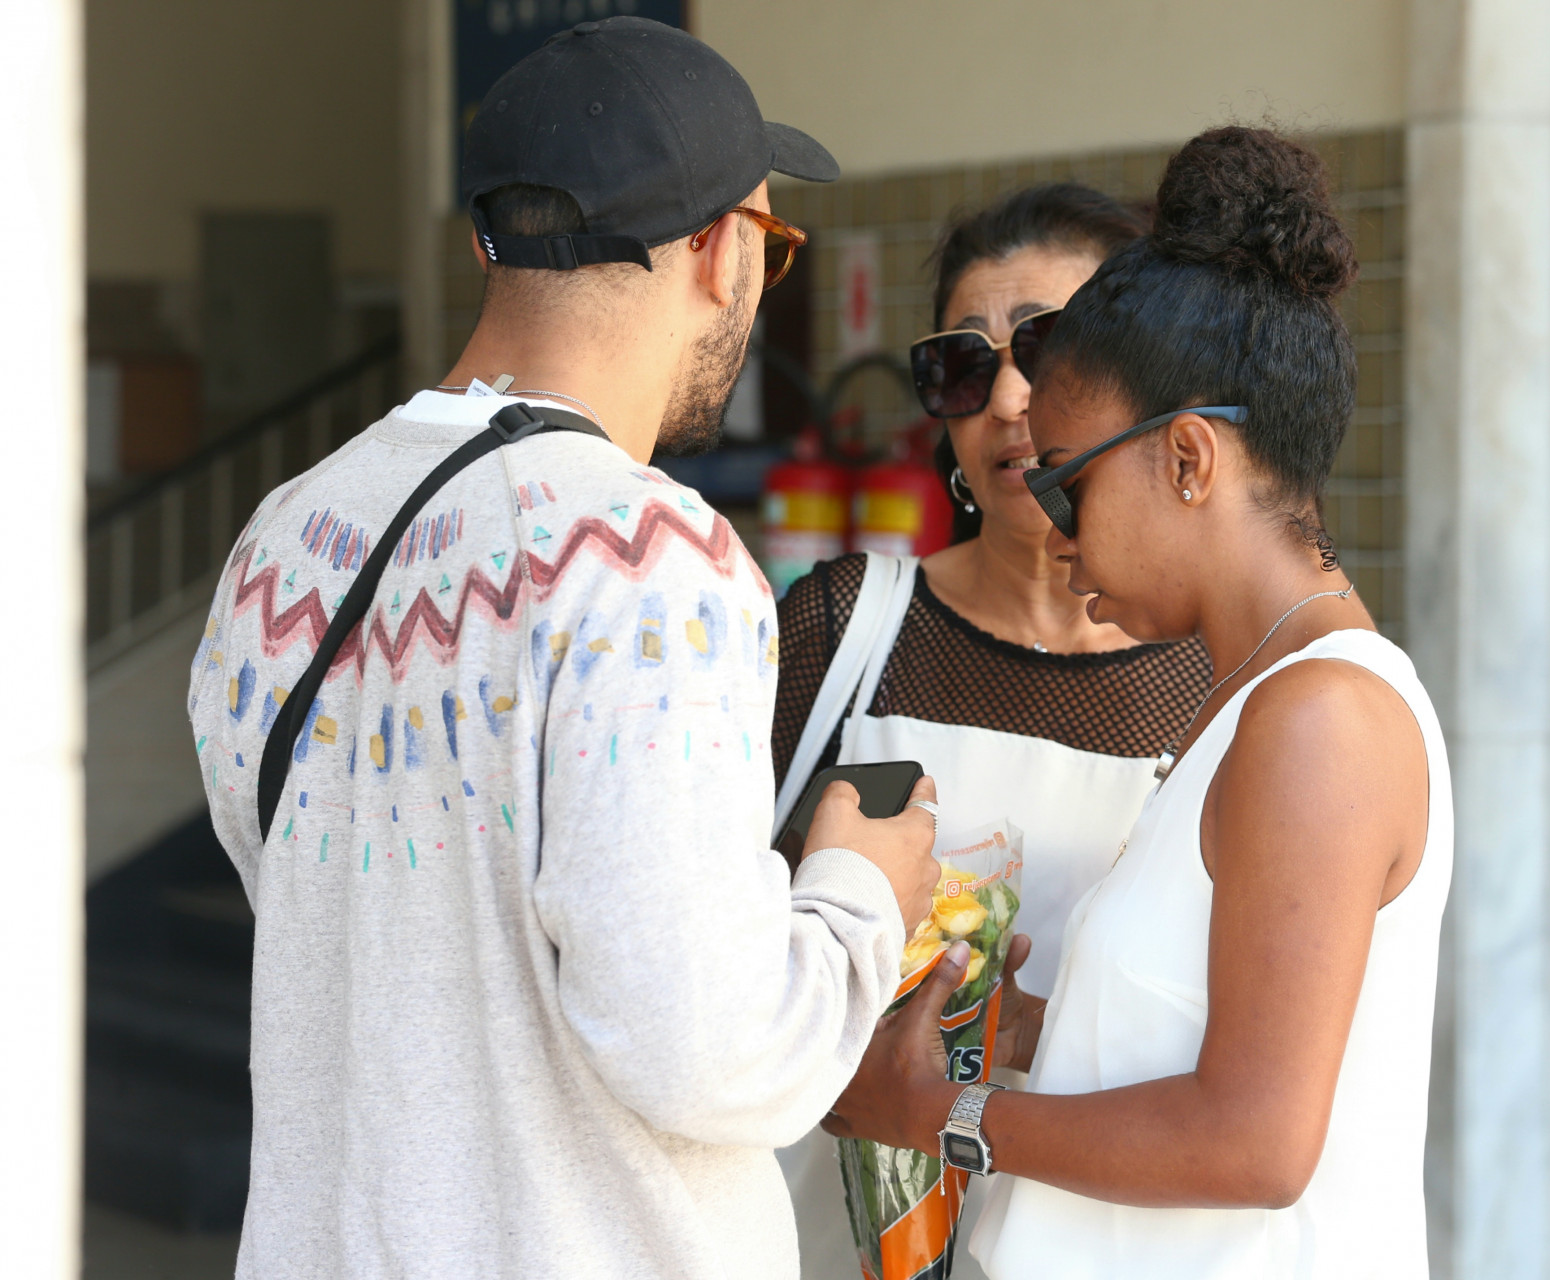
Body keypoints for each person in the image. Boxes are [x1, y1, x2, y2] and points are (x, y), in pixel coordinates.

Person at [186, 20, 938, 1278]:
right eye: (772, 243)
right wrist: (860, 891)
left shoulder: (285, 537)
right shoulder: (651, 561)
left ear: (495, 245)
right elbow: (709, 1043)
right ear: (716, 249)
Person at [823, 126, 1454, 1279]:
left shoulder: (1320, 719)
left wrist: (938, 1112)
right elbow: (1192, 1034)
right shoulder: (1253, 696)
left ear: (1190, 461)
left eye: (1069, 477)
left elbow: (1256, 1141)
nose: (1051, 526)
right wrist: (1008, 1029)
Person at [770, 185, 1213, 1277]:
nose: (1010, 396)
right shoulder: (845, 629)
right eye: (964, 367)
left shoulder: (1224, 681)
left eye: (1051, 347)